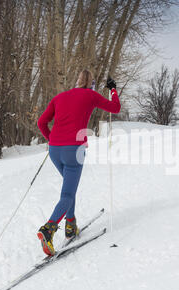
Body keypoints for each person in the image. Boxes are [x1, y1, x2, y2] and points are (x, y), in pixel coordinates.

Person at [36, 70, 121, 256]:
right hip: (74, 150)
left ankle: (70, 225)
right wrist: (113, 90)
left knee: (69, 189)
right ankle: (48, 229)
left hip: (55, 150)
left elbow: (41, 122)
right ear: (91, 83)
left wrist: (52, 139)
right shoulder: (90, 95)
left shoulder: (59, 97)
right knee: (67, 193)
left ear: (76, 81)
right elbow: (115, 108)